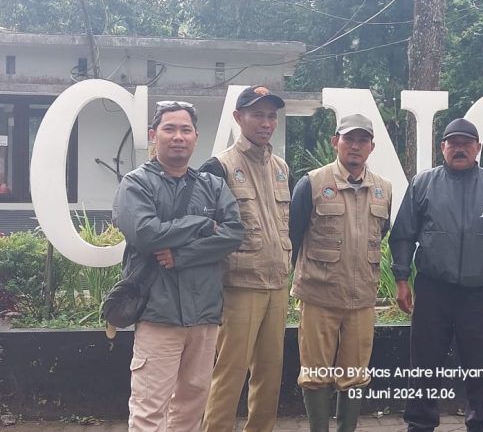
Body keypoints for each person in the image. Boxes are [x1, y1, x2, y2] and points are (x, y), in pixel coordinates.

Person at [112, 100, 244, 431]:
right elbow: (145, 233)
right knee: (149, 408)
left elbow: (233, 234)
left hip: (204, 317)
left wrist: (182, 255)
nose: (178, 136)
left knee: (191, 407)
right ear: (153, 135)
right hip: (158, 313)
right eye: (169, 129)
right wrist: (199, 224)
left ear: (196, 137)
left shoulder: (213, 186)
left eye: (185, 130)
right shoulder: (136, 184)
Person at [389, 118, 483, 432]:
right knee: (424, 367)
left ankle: (480, 425)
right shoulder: (423, 184)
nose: (459, 148)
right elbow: (403, 234)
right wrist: (402, 279)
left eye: (466, 143)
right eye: (453, 143)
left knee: (478, 368)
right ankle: (419, 424)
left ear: (478, 148)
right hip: (433, 291)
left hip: (478, 294)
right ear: (442, 148)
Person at [289, 113, 392, 432]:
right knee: (316, 373)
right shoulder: (313, 183)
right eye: (349, 139)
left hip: (361, 299)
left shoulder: (384, 190)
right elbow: (293, 237)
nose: (356, 146)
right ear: (336, 142)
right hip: (319, 297)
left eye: (363, 140)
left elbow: (382, 232)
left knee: (355, 374)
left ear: (372, 147)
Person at [201, 86, 292, 432]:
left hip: (276, 286)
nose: (266, 122)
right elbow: (205, 230)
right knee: (229, 374)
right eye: (257, 114)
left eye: (271, 115)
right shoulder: (219, 167)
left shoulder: (281, 168)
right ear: (238, 118)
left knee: (270, 375)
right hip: (238, 287)